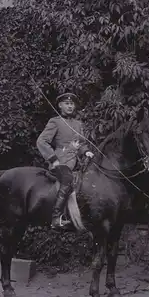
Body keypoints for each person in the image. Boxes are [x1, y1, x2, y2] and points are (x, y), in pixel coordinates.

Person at [36, 92, 94, 229]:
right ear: (60, 105)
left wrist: (86, 151)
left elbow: (80, 145)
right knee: (67, 179)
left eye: (72, 104)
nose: (70, 106)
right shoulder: (55, 122)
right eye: (67, 103)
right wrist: (53, 159)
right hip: (60, 163)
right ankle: (56, 218)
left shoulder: (78, 124)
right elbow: (41, 141)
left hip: (76, 163)